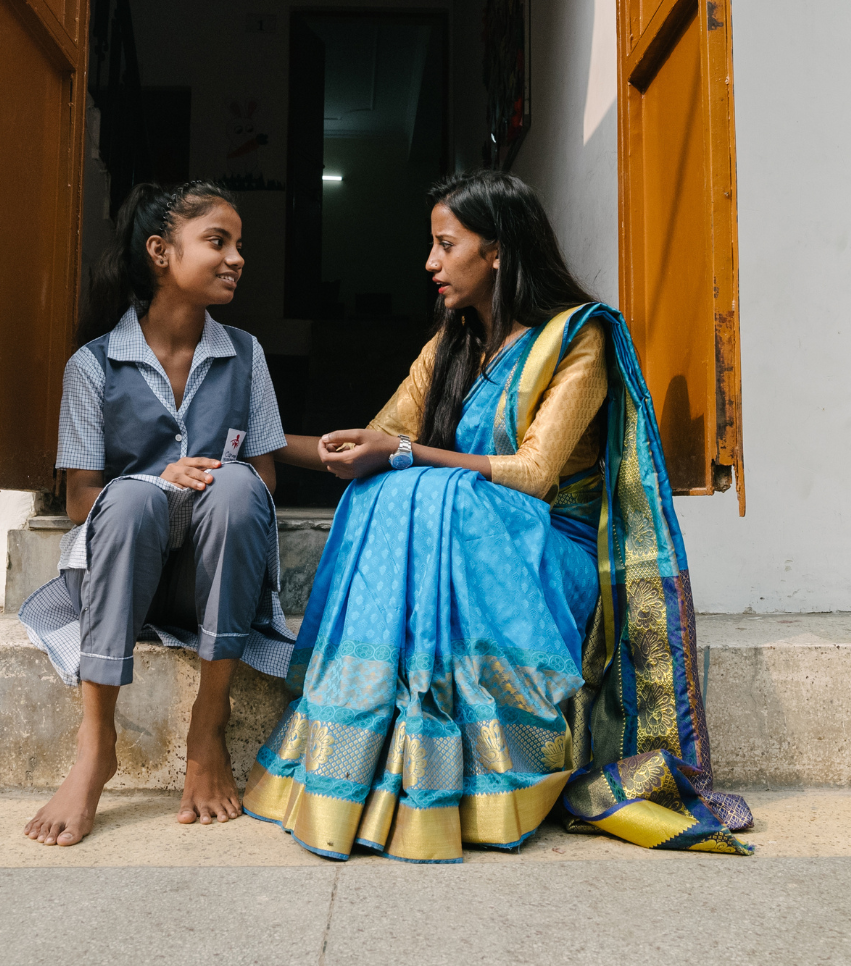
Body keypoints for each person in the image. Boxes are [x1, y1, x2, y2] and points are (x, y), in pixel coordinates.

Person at [243, 170, 753, 862]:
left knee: (429, 490)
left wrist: (405, 454)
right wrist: (241, 446)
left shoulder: (578, 339)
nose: (429, 263)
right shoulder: (450, 347)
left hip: (552, 551)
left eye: (445, 245)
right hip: (473, 539)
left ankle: (477, 771)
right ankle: (371, 761)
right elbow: (365, 447)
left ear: (498, 252)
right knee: (390, 491)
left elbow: (533, 473)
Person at [19, 181, 292, 846]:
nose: (237, 258)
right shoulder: (93, 366)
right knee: (135, 494)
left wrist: (214, 477)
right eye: (218, 242)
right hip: (121, 580)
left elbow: (264, 479)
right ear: (161, 252)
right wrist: (155, 478)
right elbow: (79, 496)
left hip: (208, 584)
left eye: (239, 245)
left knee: (232, 486)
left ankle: (209, 723)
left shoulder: (246, 356)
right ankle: (95, 746)